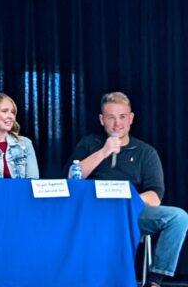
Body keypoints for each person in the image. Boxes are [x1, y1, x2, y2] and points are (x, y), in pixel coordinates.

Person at [71, 92, 188, 287]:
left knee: (179, 217)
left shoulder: (146, 152)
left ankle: (154, 281)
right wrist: (104, 152)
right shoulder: (89, 144)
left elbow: (155, 196)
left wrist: (127, 201)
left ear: (131, 118)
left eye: (122, 117)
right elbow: (71, 178)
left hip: (132, 212)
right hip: (94, 213)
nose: (117, 124)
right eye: (111, 117)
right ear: (102, 120)